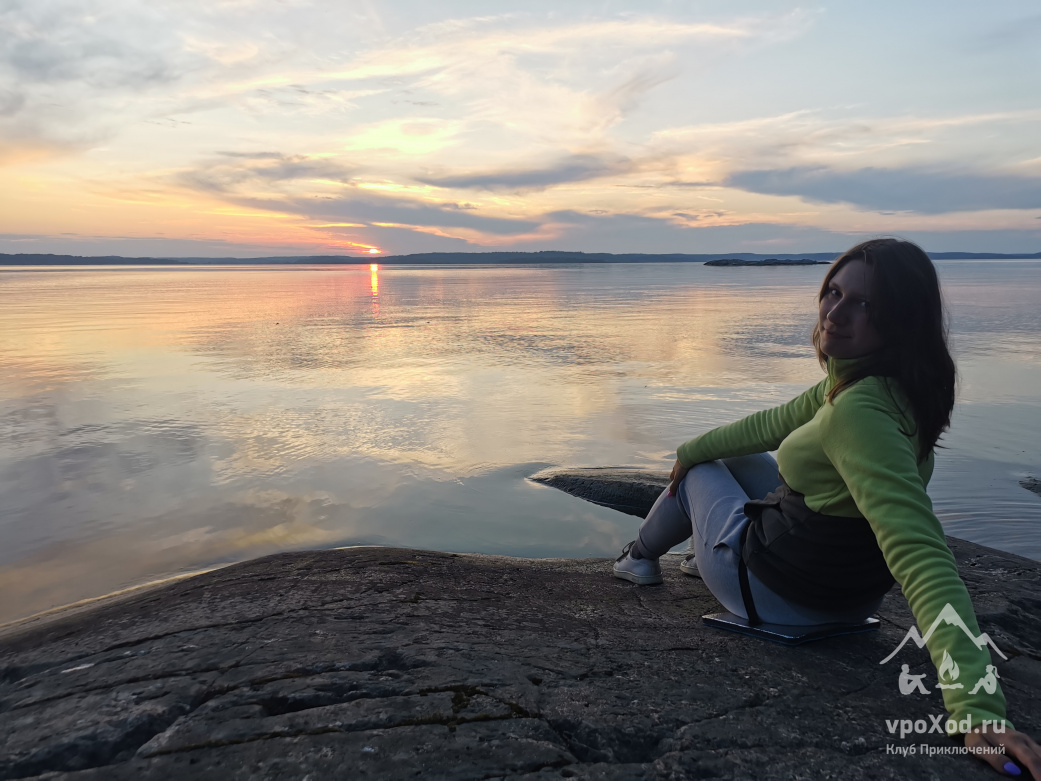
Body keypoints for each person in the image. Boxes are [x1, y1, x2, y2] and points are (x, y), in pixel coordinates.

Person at [612, 238, 1040, 778]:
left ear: (903, 319)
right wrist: (692, 446)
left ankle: (638, 559)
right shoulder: (888, 385)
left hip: (777, 598)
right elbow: (769, 425)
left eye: (865, 304)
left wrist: (976, 705)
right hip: (845, 594)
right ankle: (701, 551)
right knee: (724, 456)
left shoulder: (857, 413)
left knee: (701, 476)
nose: (835, 313)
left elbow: (921, 553)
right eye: (833, 292)